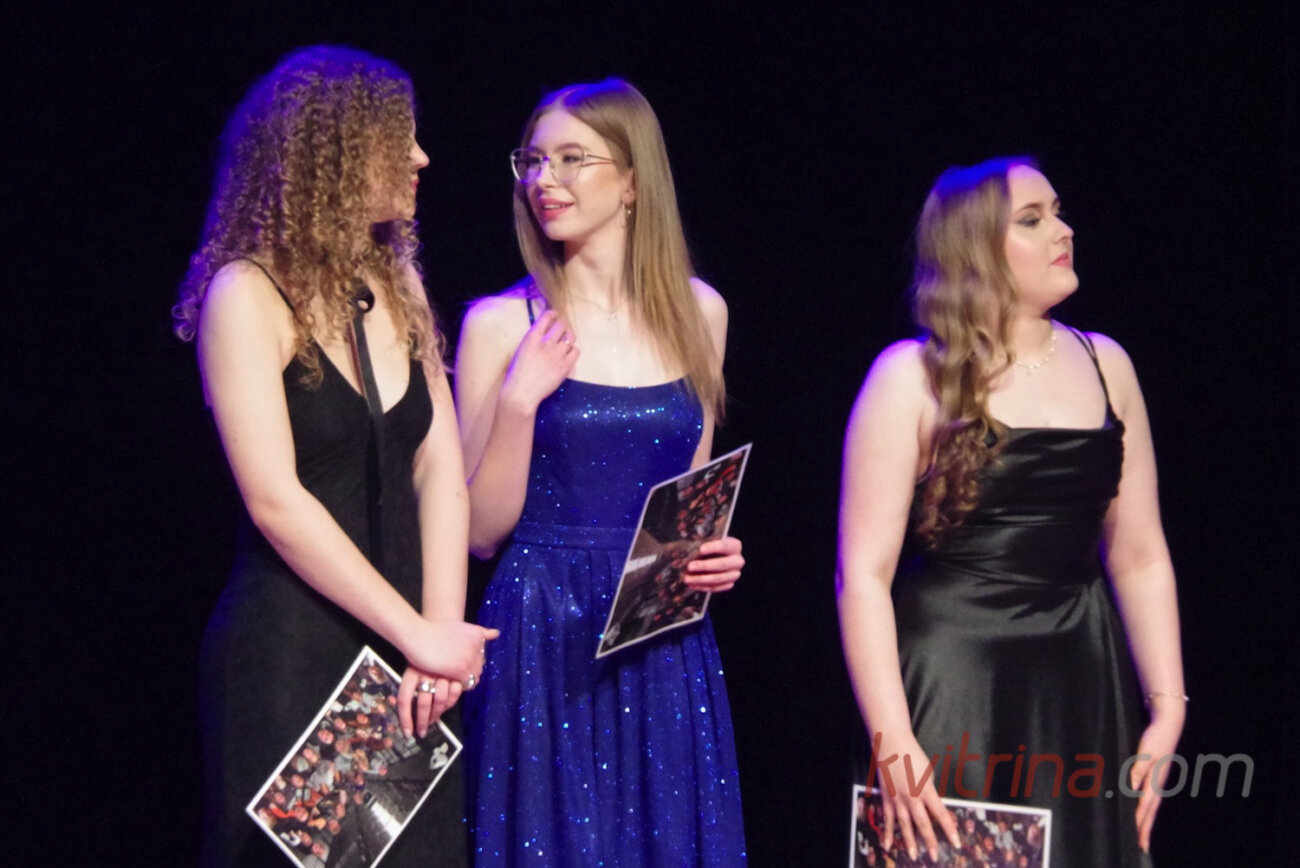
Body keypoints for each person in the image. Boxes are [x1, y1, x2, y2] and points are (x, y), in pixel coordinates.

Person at [174, 46, 496, 866]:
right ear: (339, 150)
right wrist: (419, 635)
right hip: (298, 648)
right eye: (400, 138)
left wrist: (439, 637)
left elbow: (440, 470)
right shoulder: (246, 294)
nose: (421, 157)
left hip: (413, 664)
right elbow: (275, 500)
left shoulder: (399, 286)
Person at [837, 158, 1185, 867]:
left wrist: (1168, 704)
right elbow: (862, 575)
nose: (1063, 230)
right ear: (974, 249)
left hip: (1078, 675)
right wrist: (893, 739)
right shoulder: (910, 376)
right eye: (1032, 219)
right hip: (957, 676)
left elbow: (1140, 554)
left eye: (1057, 211)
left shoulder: (1105, 364)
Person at [455, 78, 747, 865]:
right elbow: (478, 532)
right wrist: (518, 402)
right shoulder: (499, 324)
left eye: (571, 159)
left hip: (657, 634)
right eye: (532, 160)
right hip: (541, 629)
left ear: (631, 183)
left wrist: (709, 556)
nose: (543, 179)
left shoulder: (701, 314)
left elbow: (688, 507)